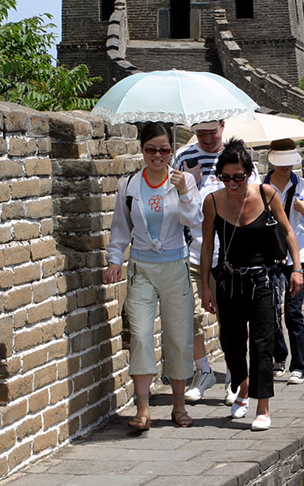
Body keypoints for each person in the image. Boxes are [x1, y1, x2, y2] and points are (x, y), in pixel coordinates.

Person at [103, 121, 202, 431]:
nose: (157, 155)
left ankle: (179, 406)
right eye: (151, 149)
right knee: (142, 336)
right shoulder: (130, 185)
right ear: (142, 150)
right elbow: (121, 227)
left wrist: (184, 191)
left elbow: (195, 220)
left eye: (164, 149)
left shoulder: (183, 180)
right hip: (142, 268)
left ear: (171, 151)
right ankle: (143, 408)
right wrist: (115, 259)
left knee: (178, 336)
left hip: (175, 267)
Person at [199, 139, 302, 431]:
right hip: (229, 281)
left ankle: (262, 406)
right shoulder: (214, 202)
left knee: (261, 342)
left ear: (249, 174)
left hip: (262, 280)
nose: (232, 182)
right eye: (226, 177)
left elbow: (289, 233)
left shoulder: (267, 195)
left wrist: (297, 269)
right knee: (230, 342)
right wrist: (206, 288)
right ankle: (242, 386)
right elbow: (208, 246)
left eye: (238, 177)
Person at [173, 119, 257, 405]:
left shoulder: (238, 158)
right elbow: (175, 201)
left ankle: (235, 375)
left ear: (223, 126)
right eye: (200, 133)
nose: (207, 138)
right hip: (192, 251)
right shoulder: (184, 157)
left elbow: (252, 200)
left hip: (228, 257)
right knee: (190, 317)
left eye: (212, 132)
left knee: (230, 322)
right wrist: (188, 184)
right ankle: (204, 370)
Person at [264, 139, 304, 385]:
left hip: (298, 256)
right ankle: (279, 357)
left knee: (293, 312)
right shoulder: (260, 186)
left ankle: (299, 366)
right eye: (281, 162)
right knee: (270, 311)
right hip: (268, 255)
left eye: (290, 163)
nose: (286, 167)